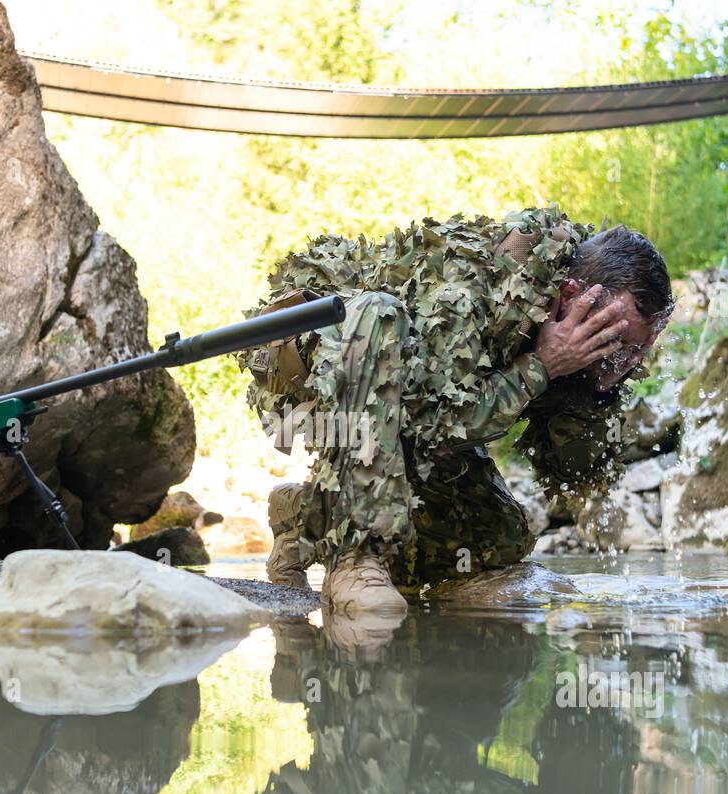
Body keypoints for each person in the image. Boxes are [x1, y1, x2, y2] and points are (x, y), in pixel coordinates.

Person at [238, 208, 673, 613]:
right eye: (620, 344)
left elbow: (569, 471)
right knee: (376, 315)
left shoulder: (590, 340)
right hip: (313, 354)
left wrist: (596, 392)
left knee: (495, 542)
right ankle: (356, 554)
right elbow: (431, 430)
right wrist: (539, 367)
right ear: (575, 295)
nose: (626, 359)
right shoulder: (472, 287)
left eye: (638, 350)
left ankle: (304, 516)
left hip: (401, 414)